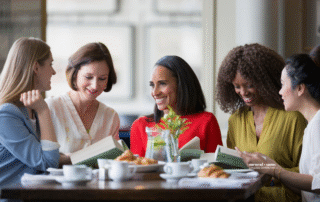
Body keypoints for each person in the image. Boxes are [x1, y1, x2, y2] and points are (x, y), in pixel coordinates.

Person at [216, 43, 307, 202]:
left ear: (265, 80)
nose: (243, 92)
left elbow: (309, 174)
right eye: (237, 86)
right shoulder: (235, 121)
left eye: (249, 85)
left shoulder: (292, 118)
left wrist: (269, 174)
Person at [237, 53, 320, 202]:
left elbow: (318, 184)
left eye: (283, 84)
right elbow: (306, 189)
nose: (280, 91)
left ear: (300, 88)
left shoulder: (318, 125)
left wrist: (274, 169)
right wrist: (270, 166)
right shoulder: (311, 125)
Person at [130, 55, 223, 157]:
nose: (155, 92)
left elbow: (216, 168)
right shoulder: (140, 125)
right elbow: (135, 169)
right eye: (152, 85)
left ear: (181, 85)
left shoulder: (206, 121)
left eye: (162, 84)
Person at [45, 42, 120, 165]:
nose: (95, 85)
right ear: (75, 75)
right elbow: (39, 159)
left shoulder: (110, 116)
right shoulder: (50, 108)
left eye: (102, 78)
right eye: (88, 77)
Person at [0, 37, 60, 186]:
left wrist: (75, 157)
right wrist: (43, 110)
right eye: (50, 64)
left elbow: (46, 155)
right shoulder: (6, 115)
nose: (53, 71)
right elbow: (48, 162)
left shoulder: (31, 108)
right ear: (36, 67)